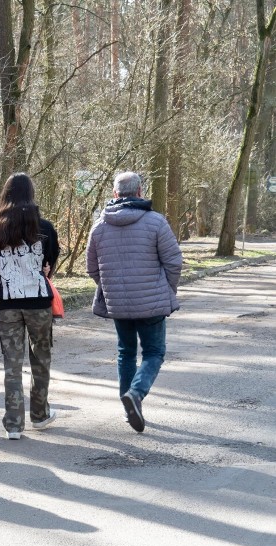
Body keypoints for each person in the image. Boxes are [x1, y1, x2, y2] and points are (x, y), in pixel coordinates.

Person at [86, 171, 182, 432]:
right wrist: (165, 288)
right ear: (140, 192)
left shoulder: (99, 226)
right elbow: (174, 261)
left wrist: (111, 289)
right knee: (154, 352)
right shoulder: (156, 222)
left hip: (118, 304)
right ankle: (136, 394)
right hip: (151, 302)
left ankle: (129, 409)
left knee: (125, 353)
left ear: (115, 194)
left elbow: (92, 268)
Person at [0, 173, 60, 440]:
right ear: (31, 194)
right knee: (41, 360)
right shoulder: (46, 228)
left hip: (8, 305)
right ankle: (39, 415)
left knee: (12, 365)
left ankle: (13, 425)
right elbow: (49, 266)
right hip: (39, 304)